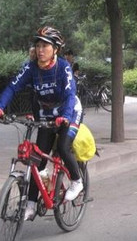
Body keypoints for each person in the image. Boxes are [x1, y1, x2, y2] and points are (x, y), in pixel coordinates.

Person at [0, 26, 83, 220]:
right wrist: (1, 106)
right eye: (38, 45)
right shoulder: (31, 68)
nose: (40, 50)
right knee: (37, 161)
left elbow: (71, 94)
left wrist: (66, 116)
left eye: (45, 45)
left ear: (55, 49)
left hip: (69, 112)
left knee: (63, 147)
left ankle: (77, 181)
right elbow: (12, 87)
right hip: (45, 115)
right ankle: (30, 204)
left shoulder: (63, 67)